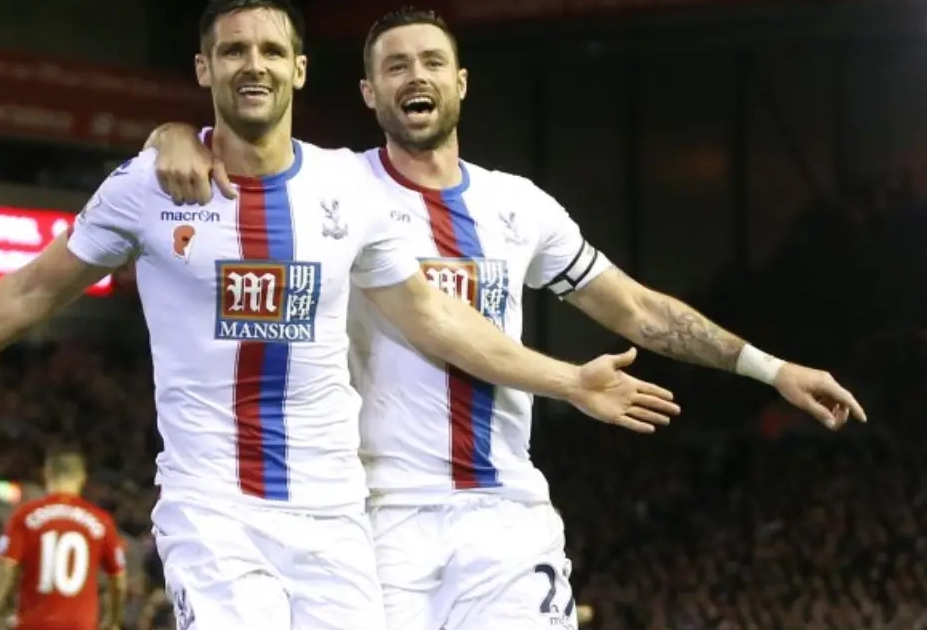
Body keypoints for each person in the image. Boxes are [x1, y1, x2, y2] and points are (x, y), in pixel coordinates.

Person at [0, 1, 681, 628]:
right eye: (233, 50)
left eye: (270, 50)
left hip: (335, 516)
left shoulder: (347, 189)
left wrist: (567, 380)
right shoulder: (148, 186)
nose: (253, 64)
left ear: (299, 68)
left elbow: (435, 316)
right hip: (213, 507)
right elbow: (29, 290)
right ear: (203, 70)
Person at [139, 6, 868, 630]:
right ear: (369, 92)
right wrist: (171, 134)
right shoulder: (334, 190)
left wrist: (771, 369)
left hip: (505, 513)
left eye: (432, 62)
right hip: (378, 519)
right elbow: (226, 147)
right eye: (395, 66)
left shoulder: (518, 206)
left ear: (460, 83)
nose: (415, 77)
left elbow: (637, 308)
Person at [0, 450, 128, 630]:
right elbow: (118, 580)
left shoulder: (25, 516)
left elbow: (4, 569)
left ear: (46, 474)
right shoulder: (102, 521)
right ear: (82, 478)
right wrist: (113, 620)